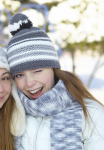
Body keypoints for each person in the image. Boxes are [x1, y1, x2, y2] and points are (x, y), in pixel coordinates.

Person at [6, 13, 104, 150]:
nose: (29, 83)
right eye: (19, 75)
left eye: (37, 71)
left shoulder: (91, 113)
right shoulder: (12, 114)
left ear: (53, 68)